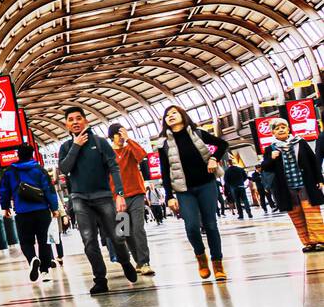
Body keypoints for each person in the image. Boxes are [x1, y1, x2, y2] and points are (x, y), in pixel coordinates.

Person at [57, 106, 138, 294]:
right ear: (66, 124)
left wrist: (119, 194)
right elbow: (65, 169)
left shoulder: (101, 143)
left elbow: (114, 168)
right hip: (79, 199)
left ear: (86, 121)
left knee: (117, 236)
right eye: (71, 119)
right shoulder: (66, 147)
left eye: (79, 118)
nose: (75, 122)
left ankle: (125, 262)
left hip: (103, 197)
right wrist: (76, 146)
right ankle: (100, 279)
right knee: (89, 240)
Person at [157, 104, 229, 279]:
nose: (170, 116)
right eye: (167, 115)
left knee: (211, 224)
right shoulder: (163, 144)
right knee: (191, 227)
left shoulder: (198, 133)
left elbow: (223, 144)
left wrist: (214, 159)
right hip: (184, 190)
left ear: (183, 115)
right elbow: (165, 171)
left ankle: (217, 264)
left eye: (174, 113)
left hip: (206, 185)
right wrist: (169, 196)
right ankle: (201, 258)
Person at [261, 116, 324, 252]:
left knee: (312, 212)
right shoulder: (270, 149)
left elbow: (314, 162)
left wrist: (319, 179)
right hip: (286, 188)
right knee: (297, 216)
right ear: (273, 133)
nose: (281, 130)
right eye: (277, 129)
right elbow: (265, 167)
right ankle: (307, 243)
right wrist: (271, 158)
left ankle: (319, 240)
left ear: (288, 129)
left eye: (283, 127)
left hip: (305, 184)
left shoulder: (300, 142)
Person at [0, 143, 59, 283]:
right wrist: (54, 208)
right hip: (42, 211)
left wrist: (5, 206)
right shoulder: (39, 170)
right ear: (32, 154)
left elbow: (4, 190)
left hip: (22, 212)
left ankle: (32, 258)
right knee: (44, 241)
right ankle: (45, 272)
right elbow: (49, 189)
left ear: (18, 154)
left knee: (26, 242)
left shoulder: (10, 171)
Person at [107, 123, 154, 275]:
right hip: (118, 198)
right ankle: (138, 261)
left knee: (138, 228)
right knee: (125, 232)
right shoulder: (107, 153)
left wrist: (129, 140)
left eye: (123, 134)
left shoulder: (129, 148)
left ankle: (145, 261)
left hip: (137, 194)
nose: (121, 137)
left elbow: (142, 156)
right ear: (111, 136)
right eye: (118, 134)